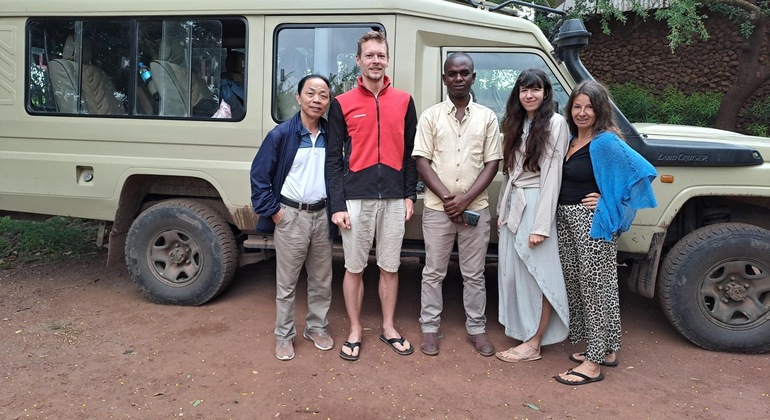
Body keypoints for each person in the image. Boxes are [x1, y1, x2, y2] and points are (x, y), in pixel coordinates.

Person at [554, 80, 657, 385]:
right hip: (567, 220)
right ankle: (607, 349)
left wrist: (608, 202)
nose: (582, 112)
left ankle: (593, 363)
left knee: (595, 290)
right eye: (577, 106)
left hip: (592, 224)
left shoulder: (605, 142)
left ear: (600, 110)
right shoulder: (572, 139)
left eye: (589, 107)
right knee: (584, 285)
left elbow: (642, 172)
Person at [325, 30, 418, 361]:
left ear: (387, 59)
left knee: (390, 268)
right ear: (358, 61)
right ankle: (354, 330)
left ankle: (389, 328)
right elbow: (333, 159)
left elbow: (410, 154)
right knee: (354, 268)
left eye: (381, 55)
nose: (375, 60)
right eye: (369, 55)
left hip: (394, 199)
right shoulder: (342, 103)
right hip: (356, 198)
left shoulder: (404, 101)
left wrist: (410, 196)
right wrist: (337, 205)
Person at [412, 53, 501, 357]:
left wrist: (464, 200)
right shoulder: (431, 116)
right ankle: (429, 328)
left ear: (473, 77)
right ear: (444, 79)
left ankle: (476, 328)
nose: (459, 78)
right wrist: (450, 201)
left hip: (476, 208)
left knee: (474, 273)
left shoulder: (487, 117)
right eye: (452, 74)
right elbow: (422, 161)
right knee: (433, 271)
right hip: (439, 210)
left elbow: (492, 164)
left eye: (464, 73)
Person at [250, 74, 336, 361]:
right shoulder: (282, 134)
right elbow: (259, 176)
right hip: (291, 217)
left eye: (323, 95)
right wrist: (274, 211)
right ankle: (284, 336)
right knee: (286, 283)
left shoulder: (331, 135)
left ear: (328, 101)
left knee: (322, 279)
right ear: (299, 98)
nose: (317, 100)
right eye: (311, 93)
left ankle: (316, 327)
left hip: (322, 215)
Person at [495, 68, 571, 363]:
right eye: (524, 89)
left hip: (537, 203)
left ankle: (535, 342)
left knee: (540, 274)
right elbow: (509, 173)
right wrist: (502, 211)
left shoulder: (555, 123)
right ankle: (526, 332)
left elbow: (553, 176)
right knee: (517, 274)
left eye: (536, 89)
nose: (530, 95)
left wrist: (541, 226)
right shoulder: (516, 123)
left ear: (545, 92)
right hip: (516, 203)